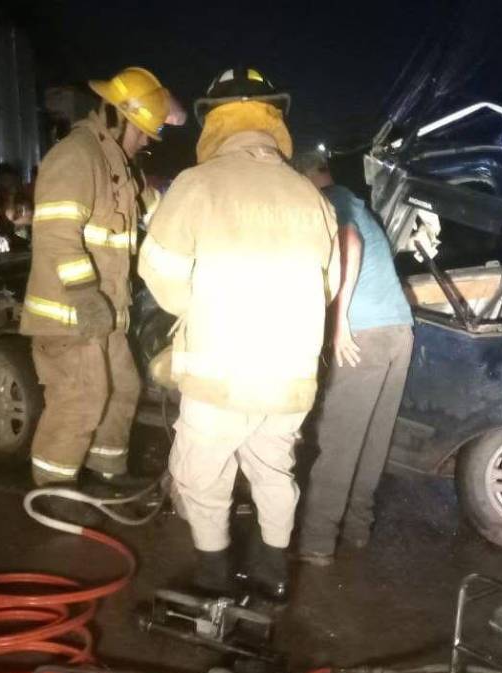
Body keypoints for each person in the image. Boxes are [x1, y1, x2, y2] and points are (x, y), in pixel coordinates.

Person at [138, 68, 339, 602]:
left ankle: (213, 579)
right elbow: (329, 286)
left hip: (219, 372)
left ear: (215, 121)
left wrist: (198, 307)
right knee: (274, 469)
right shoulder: (310, 196)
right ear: (273, 119)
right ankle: (273, 576)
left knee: (202, 474)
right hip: (289, 376)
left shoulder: (197, 184)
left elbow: (159, 270)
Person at [19, 67, 177, 499]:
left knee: (124, 388)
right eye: (142, 132)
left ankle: (106, 474)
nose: (145, 142)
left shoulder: (118, 167)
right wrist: (86, 296)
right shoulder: (77, 157)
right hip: (70, 315)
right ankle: (53, 492)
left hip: (106, 315)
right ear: (117, 117)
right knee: (81, 398)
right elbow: (56, 235)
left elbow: (156, 210)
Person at [291, 151, 414, 566]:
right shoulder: (357, 202)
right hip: (399, 331)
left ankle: (317, 542)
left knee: (339, 441)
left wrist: (340, 321)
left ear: (304, 175)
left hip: (365, 335)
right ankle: (358, 528)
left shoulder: (332, 201)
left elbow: (349, 241)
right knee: (372, 442)